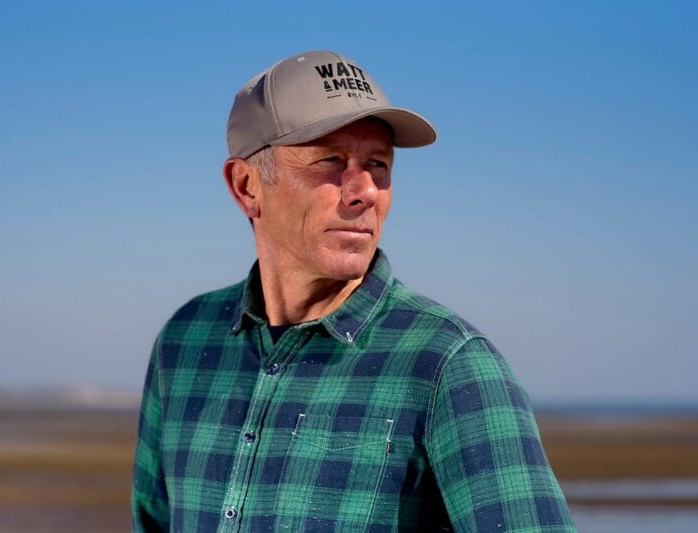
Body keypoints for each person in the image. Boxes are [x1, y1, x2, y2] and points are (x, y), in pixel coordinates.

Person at [132, 50, 574, 532]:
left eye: (378, 164)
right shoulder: (184, 343)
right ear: (246, 186)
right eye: (331, 161)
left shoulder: (450, 366)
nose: (364, 190)